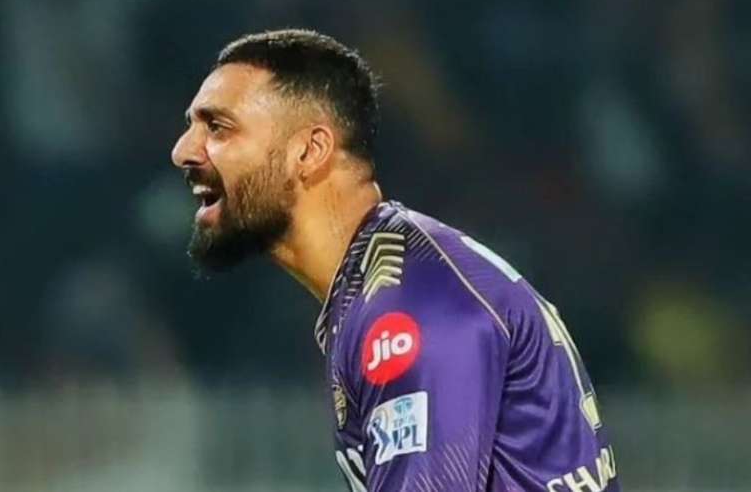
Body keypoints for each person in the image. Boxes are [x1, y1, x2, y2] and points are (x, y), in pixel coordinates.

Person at [170, 28, 619, 492]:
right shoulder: (383, 283)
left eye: (218, 127)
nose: (183, 150)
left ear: (310, 150)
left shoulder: (410, 310)